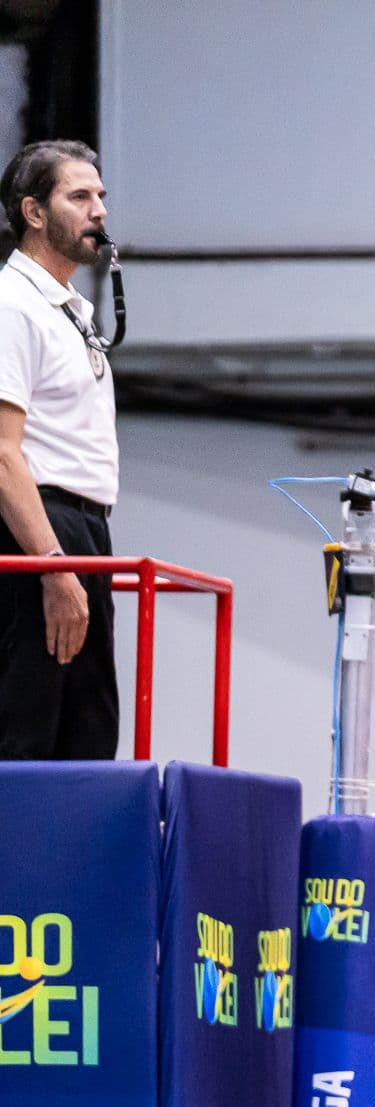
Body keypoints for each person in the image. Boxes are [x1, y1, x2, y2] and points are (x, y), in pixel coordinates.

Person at [0, 141, 118, 761]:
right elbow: (1, 454)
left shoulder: (68, 310)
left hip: (81, 532)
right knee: (28, 733)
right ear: (34, 213)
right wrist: (52, 563)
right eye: (79, 196)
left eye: (100, 196)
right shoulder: (12, 305)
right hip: (38, 533)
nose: (98, 209)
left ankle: (74, 863)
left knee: (88, 736)